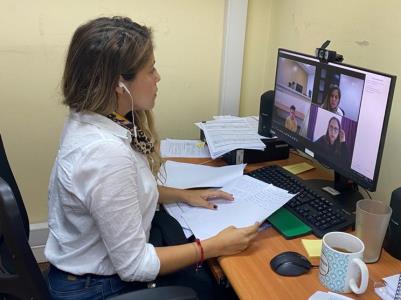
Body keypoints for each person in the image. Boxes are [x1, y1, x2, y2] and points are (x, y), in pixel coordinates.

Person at [45, 16, 259, 300]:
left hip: (88, 269)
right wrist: (214, 246)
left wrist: (182, 195)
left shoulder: (90, 118)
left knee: (186, 245)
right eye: (151, 70)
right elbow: (135, 266)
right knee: (221, 285)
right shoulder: (106, 154)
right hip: (94, 287)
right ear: (119, 85)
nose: (158, 77)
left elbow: (119, 193)